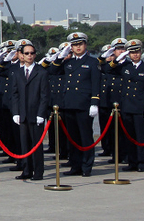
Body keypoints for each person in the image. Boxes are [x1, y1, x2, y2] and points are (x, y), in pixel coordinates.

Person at [47, 32, 101, 177]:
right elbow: (52, 71)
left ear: (85, 45)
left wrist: (94, 102)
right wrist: (60, 57)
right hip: (69, 103)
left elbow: (96, 84)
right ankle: (75, 165)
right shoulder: (68, 62)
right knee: (72, 138)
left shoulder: (92, 62)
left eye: (80, 44)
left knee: (85, 137)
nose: (78, 47)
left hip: (84, 105)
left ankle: (86, 166)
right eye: (75, 45)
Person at [108, 39, 144, 172]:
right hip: (127, 106)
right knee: (129, 136)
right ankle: (132, 162)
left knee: (140, 137)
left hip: (140, 107)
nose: (135, 55)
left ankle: (141, 162)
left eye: (137, 52)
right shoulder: (125, 67)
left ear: (141, 52)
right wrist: (117, 60)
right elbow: (107, 69)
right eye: (132, 52)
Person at [8, 41, 50, 181]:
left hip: (36, 113)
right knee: (24, 144)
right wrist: (15, 112)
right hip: (23, 114)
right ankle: (26, 170)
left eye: (32, 53)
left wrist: (41, 114)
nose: (29, 56)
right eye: (26, 53)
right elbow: (14, 94)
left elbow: (45, 96)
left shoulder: (41, 72)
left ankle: (38, 172)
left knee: (36, 145)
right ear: (22, 55)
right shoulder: (18, 72)